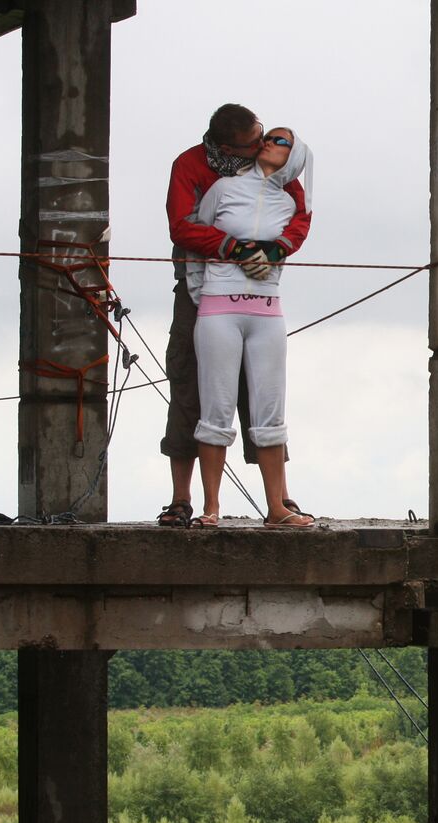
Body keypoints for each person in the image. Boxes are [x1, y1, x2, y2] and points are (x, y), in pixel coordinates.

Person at [159, 104, 311, 527]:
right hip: (201, 291)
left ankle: (278, 497)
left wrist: (277, 250)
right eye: (256, 141)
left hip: (258, 294)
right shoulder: (191, 167)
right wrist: (234, 248)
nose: (265, 144)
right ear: (228, 146)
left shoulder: (276, 176)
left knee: (265, 393)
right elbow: (183, 225)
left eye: (268, 136)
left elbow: (300, 213)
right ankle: (183, 499)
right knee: (190, 384)